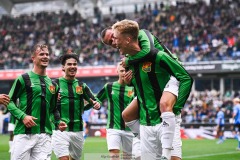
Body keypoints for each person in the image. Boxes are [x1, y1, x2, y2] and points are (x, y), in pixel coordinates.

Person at [112, 19, 193, 160]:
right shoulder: (129, 64)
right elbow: (143, 88)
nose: (114, 42)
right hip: (145, 125)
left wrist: (177, 107)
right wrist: (130, 83)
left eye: (116, 38)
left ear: (127, 39)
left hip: (165, 122)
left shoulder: (158, 56)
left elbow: (186, 78)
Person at [7, 44, 67, 160]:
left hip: (45, 135)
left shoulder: (53, 84)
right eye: (41, 54)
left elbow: (53, 109)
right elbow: (9, 101)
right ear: (33, 58)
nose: (45, 57)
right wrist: (23, 116)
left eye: (47, 54)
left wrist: (58, 121)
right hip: (24, 134)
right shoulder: (23, 79)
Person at [51, 53, 101, 160]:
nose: (73, 66)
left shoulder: (81, 86)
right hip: (60, 130)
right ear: (63, 67)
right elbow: (46, 104)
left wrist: (96, 104)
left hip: (77, 130)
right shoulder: (54, 84)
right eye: (69, 64)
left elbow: (95, 101)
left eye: (75, 64)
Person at [96, 62, 138, 160]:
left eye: (126, 71)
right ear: (117, 72)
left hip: (130, 129)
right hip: (113, 127)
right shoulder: (109, 87)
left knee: (127, 157)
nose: (124, 73)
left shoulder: (134, 87)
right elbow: (97, 99)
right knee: (114, 155)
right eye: (122, 71)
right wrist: (91, 103)